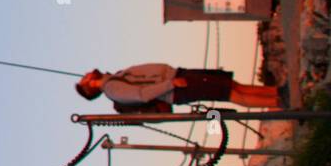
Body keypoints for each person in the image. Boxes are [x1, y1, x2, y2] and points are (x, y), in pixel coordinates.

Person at [75, 63, 279, 113]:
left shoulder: (113, 79)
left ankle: (277, 93)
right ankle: (279, 102)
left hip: (178, 77)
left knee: (231, 86)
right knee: (230, 94)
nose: (87, 73)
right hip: (177, 87)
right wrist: (170, 83)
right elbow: (141, 94)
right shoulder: (112, 90)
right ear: (89, 87)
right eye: (84, 78)